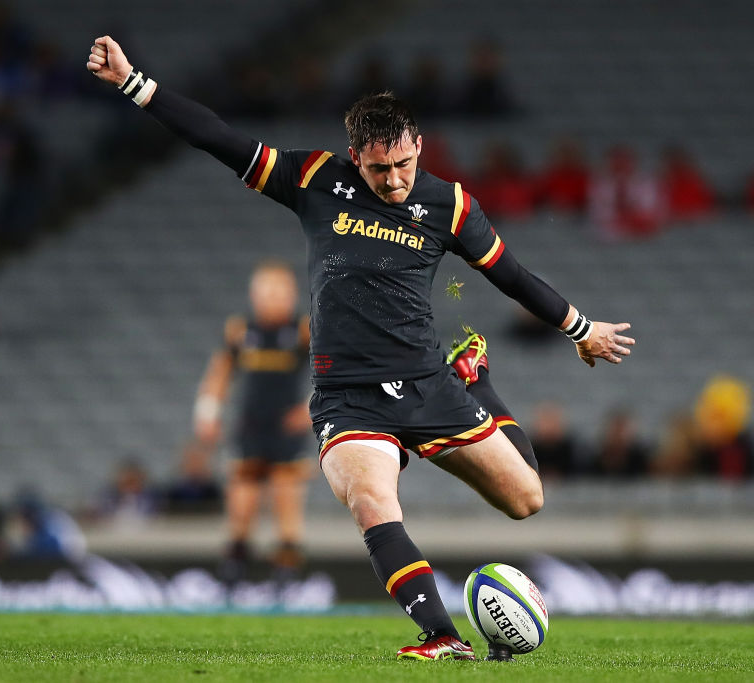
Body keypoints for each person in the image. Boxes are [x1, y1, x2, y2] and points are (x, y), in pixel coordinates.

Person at [87, 36, 635, 660]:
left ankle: (474, 379)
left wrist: (580, 328)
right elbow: (219, 138)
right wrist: (136, 83)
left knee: (527, 500)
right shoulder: (316, 179)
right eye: (380, 169)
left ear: (418, 146)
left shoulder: (450, 205)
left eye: (404, 163)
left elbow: (511, 275)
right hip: (350, 399)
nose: (396, 180)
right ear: (356, 156)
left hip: (429, 385)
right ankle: (439, 638)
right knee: (374, 502)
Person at [192, 261, 313, 580]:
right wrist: (208, 411)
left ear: (292, 294)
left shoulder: (303, 329)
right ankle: (236, 558)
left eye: (280, 291)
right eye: (266, 291)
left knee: (286, 492)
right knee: (243, 494)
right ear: (254, 295)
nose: (273, 298)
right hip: (251, 423)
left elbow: (332, 368)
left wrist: (312, 406)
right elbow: (220, 373)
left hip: (287, 425)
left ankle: (287, 561)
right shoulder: (241, 330)